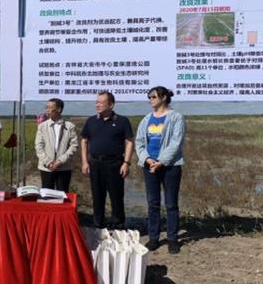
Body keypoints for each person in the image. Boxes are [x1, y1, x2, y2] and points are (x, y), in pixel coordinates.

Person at [135, 86, 185, 254]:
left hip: (170, 166)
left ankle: (172, 239)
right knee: (153, 203)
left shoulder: (176, 117)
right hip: (150, 166)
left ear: (163, 98)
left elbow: (176, 143)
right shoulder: (146, 119)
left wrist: (161, 161)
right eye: (149, 97)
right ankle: (154, 238)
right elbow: (139, 142)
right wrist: (147, 159)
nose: (150, 100)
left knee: (171, 204)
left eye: (153, 96)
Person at [81, 91, 134, 229]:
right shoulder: (91, 121)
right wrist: (85, 162)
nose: (97, 105)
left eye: (101, 102)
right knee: (97, 196)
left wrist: (126, 163)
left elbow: (129, 142)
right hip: (95, 163)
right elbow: (84, 141)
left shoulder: (122, 121)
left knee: (116, 196)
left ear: (110, 105)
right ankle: (98, 224)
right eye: (96, 102)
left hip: (114, 163)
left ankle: (118, 225)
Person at [34, 98, 78, 192]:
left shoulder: (70, 126)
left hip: (64, 167)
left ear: (59, 109)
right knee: (46, 194)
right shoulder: (42, 126)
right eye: (46, 107)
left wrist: (60, 161)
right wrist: (48, 162)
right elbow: (39, 146)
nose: (47, 110)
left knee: (62, 194)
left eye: (50, 108)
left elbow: (74, 146)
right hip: (46, 167)